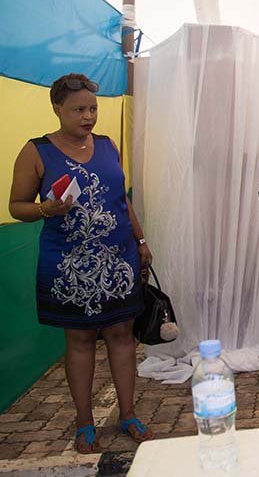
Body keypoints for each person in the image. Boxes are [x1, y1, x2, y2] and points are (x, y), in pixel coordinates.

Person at [8, 73, 155, 453]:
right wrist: (45, 208)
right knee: (80, 340)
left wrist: (140, 240)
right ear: (57, 109)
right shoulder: (36, 151)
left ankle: (128, 414)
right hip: (69, 263)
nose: (88, 116)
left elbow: (121, 200)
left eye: (92, 108)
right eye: (78, 109)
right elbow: (16, 206)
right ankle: (85, 422)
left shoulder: (107, 145)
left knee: (123, 337)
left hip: (117, 257)